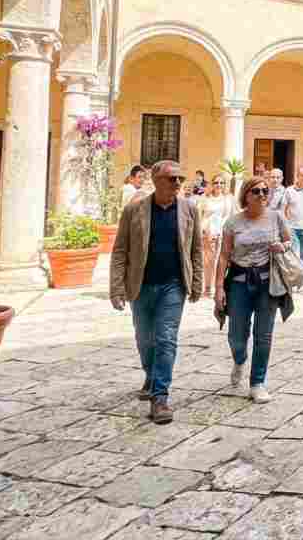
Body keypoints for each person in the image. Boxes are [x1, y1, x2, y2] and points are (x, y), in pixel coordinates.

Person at [109, 160, 203, 424]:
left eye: (180, 179)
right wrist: (116, 287)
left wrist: (197, 282)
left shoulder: (190, 209)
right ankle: (150, 375)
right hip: (140, 285)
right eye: (171, 179)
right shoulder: (134, 209)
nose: (177, 183)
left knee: (166, 338)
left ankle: (160, 396)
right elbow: (120, 250)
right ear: (155, 180)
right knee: (144, 339)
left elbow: (195, 249)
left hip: (173, 285)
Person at [216, 175, 295, 403]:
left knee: (264, 335)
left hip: (267, 283)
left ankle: (257, 383)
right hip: (239, 282)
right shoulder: (233, 222)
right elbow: (223, 256)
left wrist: (282, 246)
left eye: (265, 191)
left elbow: (289, 242)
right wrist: (219, 288)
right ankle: (239, 359)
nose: (262, 195)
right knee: (236, 336)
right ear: (246, 195)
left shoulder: (276, 218)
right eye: (256, 191)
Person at [198, 174, 236, 298]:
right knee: (208, 261)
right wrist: (202, 230)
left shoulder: (228, 199)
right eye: (216, 183)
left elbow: (232, 216)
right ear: (212, 184)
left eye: (221, 183)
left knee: (221, 261)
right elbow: (199, 216)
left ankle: (218, 287)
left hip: (223, 233)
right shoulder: (205, 198)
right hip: (207, 233)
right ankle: (207, 287)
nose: (218, 185)